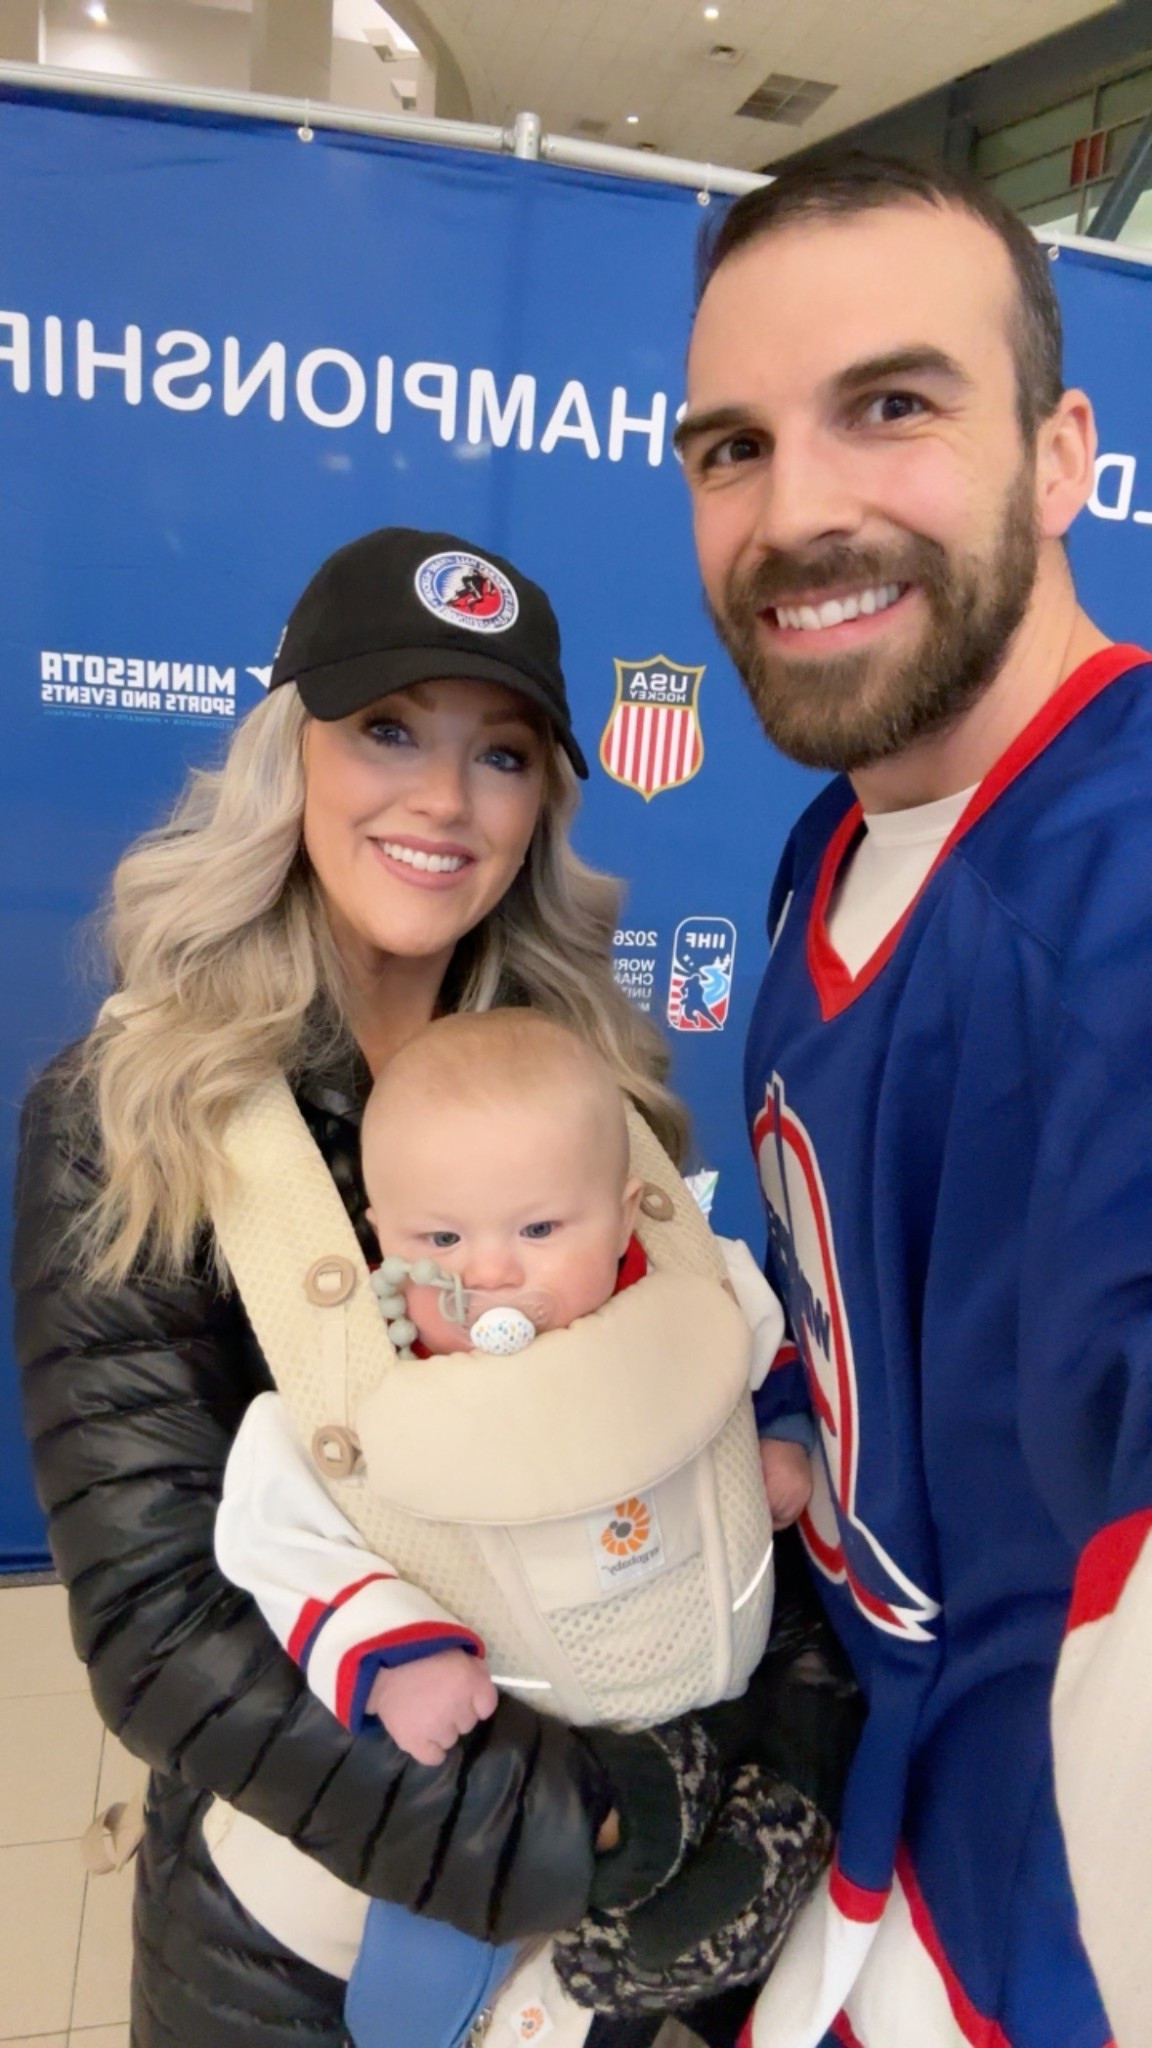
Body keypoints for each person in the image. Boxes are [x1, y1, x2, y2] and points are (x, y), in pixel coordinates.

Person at [11, 524, 856, 2048]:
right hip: (299, 1941)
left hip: (585, 1954)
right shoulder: (133, 1112)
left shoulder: (594, 1086)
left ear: (544, 804)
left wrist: (778, 1770)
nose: (443, 800)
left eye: (503, 754)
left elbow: (716, 1428)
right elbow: (162, 1618)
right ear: (293, 756)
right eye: (388, 729)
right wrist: (593, 1833)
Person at [675, 153, 1152, 2047]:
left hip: (1049, 1930)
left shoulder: (1117, 886)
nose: (798, 510)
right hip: (866, 1830)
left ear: (1058, 455)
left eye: (890, 405)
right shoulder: (839, 828)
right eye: (730, 445)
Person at [213, 1006, 830, 2048]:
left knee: (659, 1948)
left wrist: (779, 1440)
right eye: (440, 1238)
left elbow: (765, 1351)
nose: (491, 1271)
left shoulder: (693, 1291)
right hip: (514, 1751)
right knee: (448, 1947)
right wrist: (393, 1656)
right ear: (379, 1234)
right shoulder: (358, 1383)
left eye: (540, 1229)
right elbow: (280, 1538)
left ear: (628, 1210)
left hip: (698, 1715)